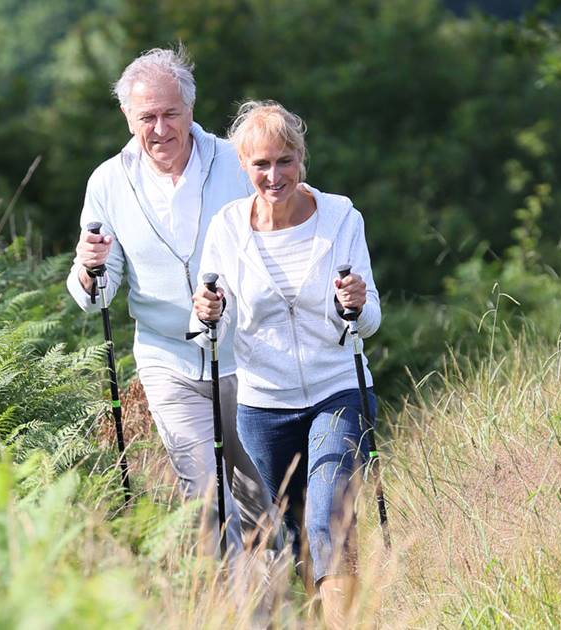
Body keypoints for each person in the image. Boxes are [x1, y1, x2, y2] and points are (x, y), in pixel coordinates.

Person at [66, 47, 269, 555]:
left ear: (191, 110)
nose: (159, 128)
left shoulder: (234, 161)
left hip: (246, 353)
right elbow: (98, 295)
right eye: (146, 117)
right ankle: (239, 610)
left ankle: (289, 591)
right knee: (206, 500)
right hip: (166, 359)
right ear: (127, 117)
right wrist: (88, 266)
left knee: (261, 494)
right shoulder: (108, 182)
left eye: (170, 114)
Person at [190, 100, 381, 628]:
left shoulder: (342, 216)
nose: (275, 176)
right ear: (244, 167)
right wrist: (206, 313)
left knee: (328, 521)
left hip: (338, 389)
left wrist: (358, 303)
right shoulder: (227, 228)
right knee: (294, 532)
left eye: (285, 161)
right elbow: (210, 332)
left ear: (301, 158)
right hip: (264, 404)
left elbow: (368, 322)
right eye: (262, 164)